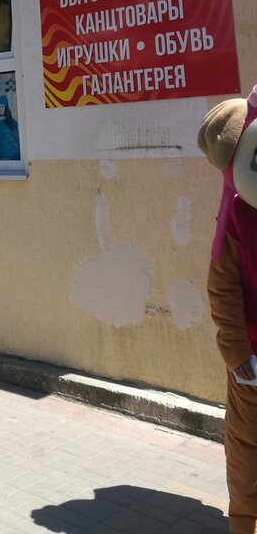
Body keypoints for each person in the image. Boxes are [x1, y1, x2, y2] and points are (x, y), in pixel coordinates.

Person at [198, 88, 257, 533]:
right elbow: (222, 288)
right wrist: (238, 355)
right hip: (254, 360)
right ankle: (244, 522)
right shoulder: (238, 216)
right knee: (247, 448)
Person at [0, 94, 20, 160]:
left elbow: (16, 138)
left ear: (6, 107)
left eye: (2, 106)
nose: (0, 109)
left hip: (13, 155)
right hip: (1, 155)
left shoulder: (12, 121)